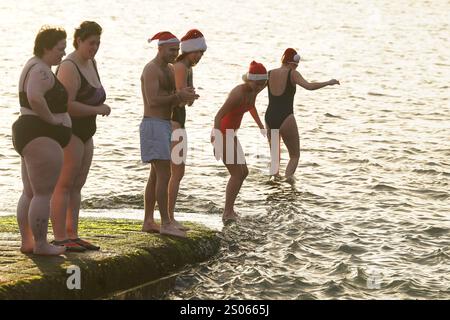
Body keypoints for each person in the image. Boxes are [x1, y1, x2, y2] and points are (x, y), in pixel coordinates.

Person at [51, 21, 110, 252]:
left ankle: (72, 234)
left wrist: (99, 106)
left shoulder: (91, 62)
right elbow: (67, 105)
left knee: (78, 185)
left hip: (88, 131)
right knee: (64, 184)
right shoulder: (68, 66)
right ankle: (59, 237)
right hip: (70, 129)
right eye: (90, 43)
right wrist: (97, 109)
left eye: (98, 43)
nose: (94, 47)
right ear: (79, 41)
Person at [12, 26, 70, 256]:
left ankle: (28, 242)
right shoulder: (41, 71)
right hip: (40, 134)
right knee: (43, 193)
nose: (63, 54)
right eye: (60, 49)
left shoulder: (34, 65)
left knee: (30, 191)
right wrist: (53, 120)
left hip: (29, 132)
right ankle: (41, 244)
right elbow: (35, 96)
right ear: (46, 47)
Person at [140, 31, 199, 237]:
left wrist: (186, 97)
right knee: (164, 174)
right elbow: (153, 100)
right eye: (171, 50)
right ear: (160, 48)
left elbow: (172, 98)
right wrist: (178, 95)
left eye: (177, 50)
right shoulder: (151, 69)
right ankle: (166, 222)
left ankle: (149, 220)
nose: (175, 54)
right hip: (153, 124)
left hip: (164, 124)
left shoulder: (170, 69)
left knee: (156, 175)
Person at [265, 48, 340, 184]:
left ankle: (273, 186)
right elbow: (309, 86)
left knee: (275, 159)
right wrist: (328, 82)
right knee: (294, 156)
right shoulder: (292, 74)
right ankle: (288, 184)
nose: (297, 66)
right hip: (285, 117)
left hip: (270, 118)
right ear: (293, 62)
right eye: (296, 63)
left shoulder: (269, 73)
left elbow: (254, 88)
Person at [212, 61, 267, 223]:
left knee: (244, 172)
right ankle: (227, 212)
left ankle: (230, 209)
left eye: (262, 84)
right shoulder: (238, 93)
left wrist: (260, 125)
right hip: (221, 133)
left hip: (232, 134)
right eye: (257, 84)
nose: (259, 87)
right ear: (249, 80)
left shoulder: (254, 90)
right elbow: (218, 116)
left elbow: (251, 107)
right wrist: (216, 141)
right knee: (237, 173)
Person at [168, 29, 207, 231]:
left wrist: (190, 97)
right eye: (197, 52)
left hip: (179, 121)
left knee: (176, 172)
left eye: (202, 53)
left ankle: (168, 216)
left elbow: (185, 98)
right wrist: (188, 96)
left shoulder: (188, 68)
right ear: (188, 51)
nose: (199, 57)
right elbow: (179, 96)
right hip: (174, 122)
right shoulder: (181, 66)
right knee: (176, 171)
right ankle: (169, 218)